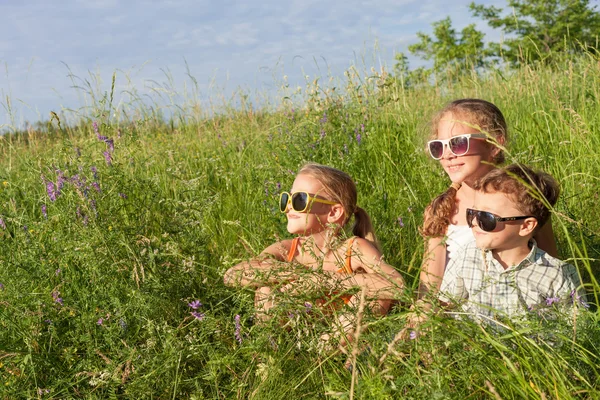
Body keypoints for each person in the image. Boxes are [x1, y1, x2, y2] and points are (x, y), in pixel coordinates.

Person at [223, 162, 405, 345]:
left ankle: (330, 356)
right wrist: (301, 276)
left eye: (299, 200)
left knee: (375, 296)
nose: (288, 207)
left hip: (337, 338)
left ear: (334, 212)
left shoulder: (354, 249)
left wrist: (323, 281)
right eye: (287, 199)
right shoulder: (286, 249)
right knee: (265, 289)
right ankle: (272, 352)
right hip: (296, 336)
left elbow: (396, 284)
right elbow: (233, 275)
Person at [419, 98, 558, 298]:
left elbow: (550, 264)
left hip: (512, 310)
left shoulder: (524, 199)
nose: (447, 155)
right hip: (452, 314)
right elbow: (429, 285)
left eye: (458, 143)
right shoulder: (443, 207)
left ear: (494, 144)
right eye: (438, 147)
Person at [438, 164, 586, 319]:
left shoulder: (557, 274)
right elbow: (446, 303)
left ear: (526, 226)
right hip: (474, 342)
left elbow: (578, 329)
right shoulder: (467, 256)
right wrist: (428, 310)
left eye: (486, 218)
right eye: (472, 213)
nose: (474, 222)